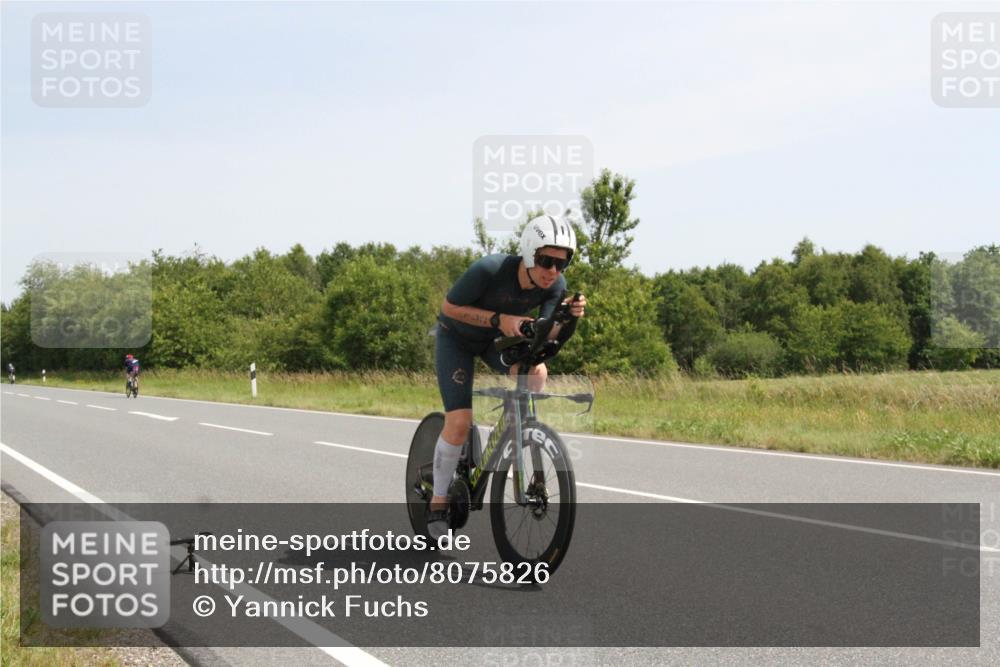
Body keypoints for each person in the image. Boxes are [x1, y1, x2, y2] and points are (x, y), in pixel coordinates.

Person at [428, 215, 588, 539]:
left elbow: (546, 334)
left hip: (492, 343)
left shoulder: (556, 286)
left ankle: (512, 425)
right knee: (458, 424)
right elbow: (448, 308)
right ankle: (438, 502)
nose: (554, 271)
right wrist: (500, 318)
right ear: (530, 253)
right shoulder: (489, 269)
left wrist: (568, 319)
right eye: (546, 261)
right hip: (456, 338)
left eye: (563, 263)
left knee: (536, 374)